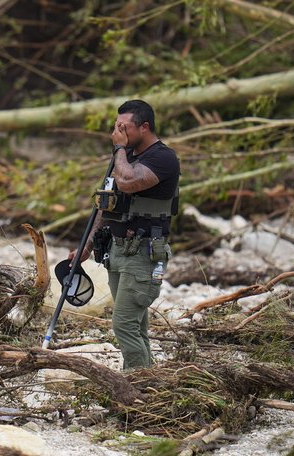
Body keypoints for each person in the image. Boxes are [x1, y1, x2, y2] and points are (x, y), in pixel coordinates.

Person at [69, 99, 180, 370]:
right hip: (118, 251)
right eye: (115, 127)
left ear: (144, 127)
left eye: (124, 127)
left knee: (124, 324)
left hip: (143, 254)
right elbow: (105, 206)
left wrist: (119, 149)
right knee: (136, 325)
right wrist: (89, 244)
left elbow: (128, 183)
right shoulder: (126, 158)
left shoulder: (163, 158)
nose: (117, 133)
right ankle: (148, 382)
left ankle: (134, 385)